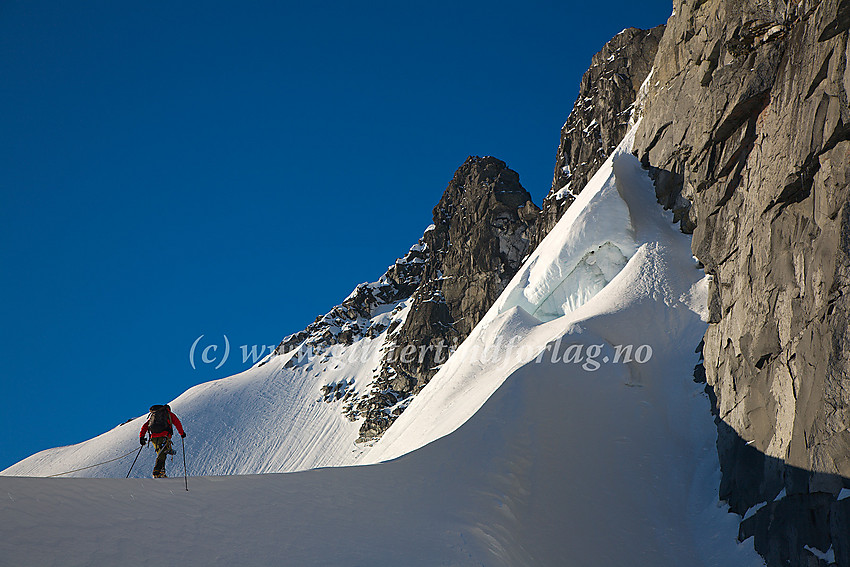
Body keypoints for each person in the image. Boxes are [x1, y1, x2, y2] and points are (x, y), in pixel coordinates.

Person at [139, 404, 186, 478]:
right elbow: (177, 423)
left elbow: (145, 426)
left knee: (161, 453)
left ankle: (162, 472)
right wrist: (182, 433)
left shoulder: (153, 416)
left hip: (154, 438)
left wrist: (141, 437)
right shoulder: (169, 414)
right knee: (162, 453)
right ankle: (157, 472)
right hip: (164, 436)